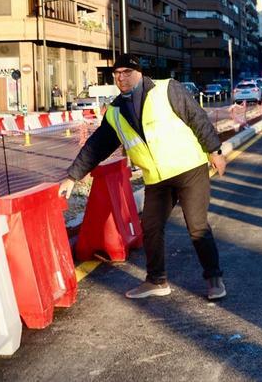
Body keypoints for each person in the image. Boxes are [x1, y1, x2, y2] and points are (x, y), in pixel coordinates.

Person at [59, 54, 228, 300]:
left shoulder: (166, 89)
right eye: (117, 73)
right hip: (157, 178)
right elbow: (97, 146)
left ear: (140, 73)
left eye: (127, 72)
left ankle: (214, 279)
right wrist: (72, 177)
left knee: (197, 226)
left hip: (189, 169)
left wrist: (215, 151)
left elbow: (197, 118)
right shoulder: (115, 111)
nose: (121, 77)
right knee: (150, 228)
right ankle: (156, 281)